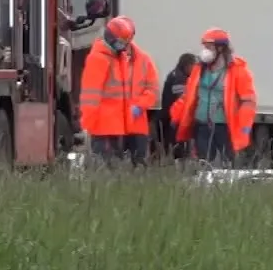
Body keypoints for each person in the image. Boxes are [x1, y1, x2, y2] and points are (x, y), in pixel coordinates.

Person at [78, 15, 159, 167]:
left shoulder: (119, 58)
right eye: (121, 42)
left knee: (118, 168)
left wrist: (138, 107)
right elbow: (91, 97)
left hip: (119, 127)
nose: (124, 46)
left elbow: (151, 90)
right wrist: (87, 126)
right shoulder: (102, 59)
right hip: (105, 128)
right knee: (107, 168)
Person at [171, 27, 258, 166]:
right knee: (203, 164)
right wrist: (176, 114)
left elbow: (248, 101)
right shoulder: (199, 70)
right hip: (202, 125)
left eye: (209, 47)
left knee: (227, 164)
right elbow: (188, 96)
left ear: (221, 48)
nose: (205, 51)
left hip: (224, 127)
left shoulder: (238, 71)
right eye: (205, 47)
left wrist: (245, 125)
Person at [157, 51, 197, 160]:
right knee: (176, 145)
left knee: (174, 144)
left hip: (169, 115)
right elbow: (182, 99)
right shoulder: (179, 78)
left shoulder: (176, 74)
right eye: (193, 66)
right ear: (187, 65)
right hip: (172, 117)